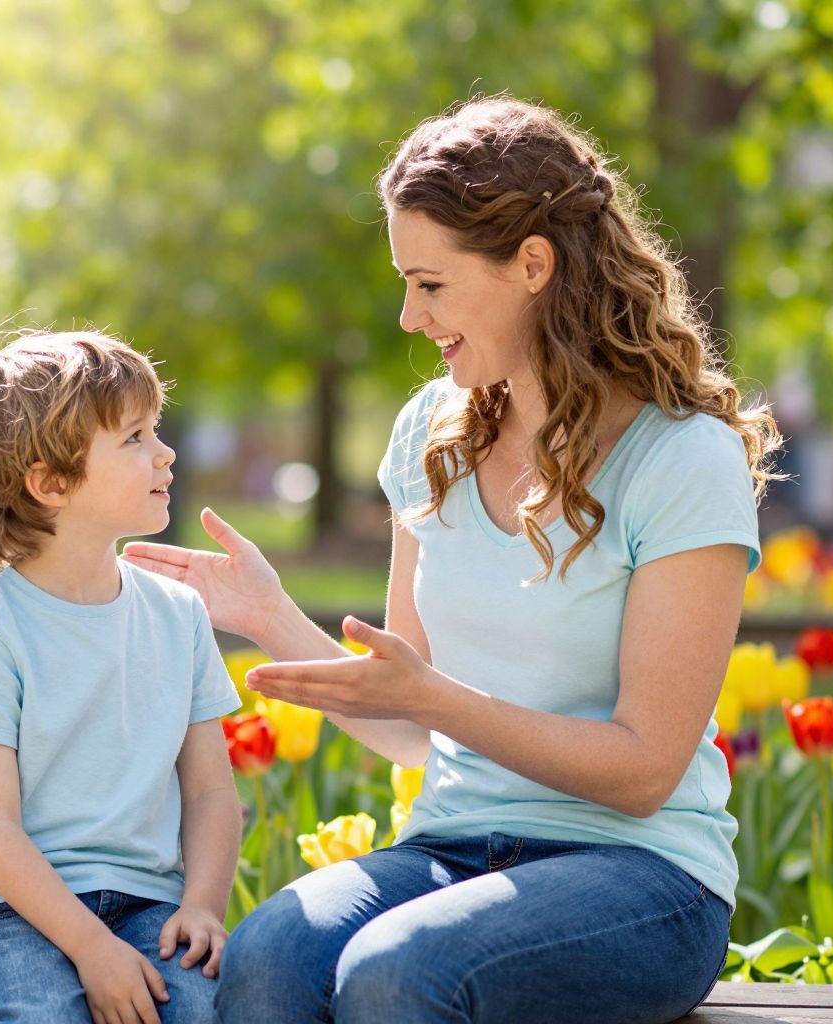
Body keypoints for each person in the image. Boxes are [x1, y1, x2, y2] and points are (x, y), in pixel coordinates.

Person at [124, 95, 783, 1024]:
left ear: (533, 266)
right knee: (271, 954)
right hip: (453, 845)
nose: (407, 316)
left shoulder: (681, 457)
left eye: (430, 284)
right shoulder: (430, 435)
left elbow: (644, 771)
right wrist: (274, 616)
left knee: (400, 971)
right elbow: (415, 725)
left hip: (643, 878)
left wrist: (436, 700)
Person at [0, 330, 243, 1024]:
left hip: (150, 904)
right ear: (51, 483)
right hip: (12, 910)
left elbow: (213, 792)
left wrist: (202, 908)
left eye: (155, 429)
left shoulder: (178, 616)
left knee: (192, 1010)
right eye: (133, 437)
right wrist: (92, 949)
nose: (165, 451)